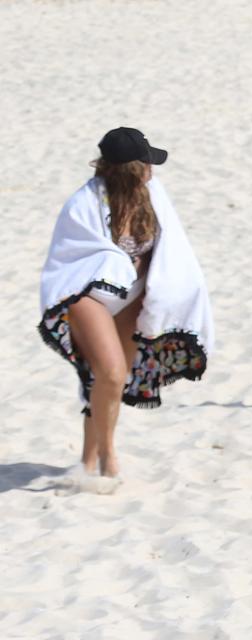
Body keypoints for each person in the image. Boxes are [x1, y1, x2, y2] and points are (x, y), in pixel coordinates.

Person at [38, 127, 214, 493]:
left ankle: (89, 459)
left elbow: (171, 248)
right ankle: (108, 457)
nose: (153, 169)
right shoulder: (84, 204)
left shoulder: (153, 196)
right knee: (113, 373)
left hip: (134, 296)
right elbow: (73, 258)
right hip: (88, 296)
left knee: (104, 381)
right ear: (135, 169)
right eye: (148, 163)